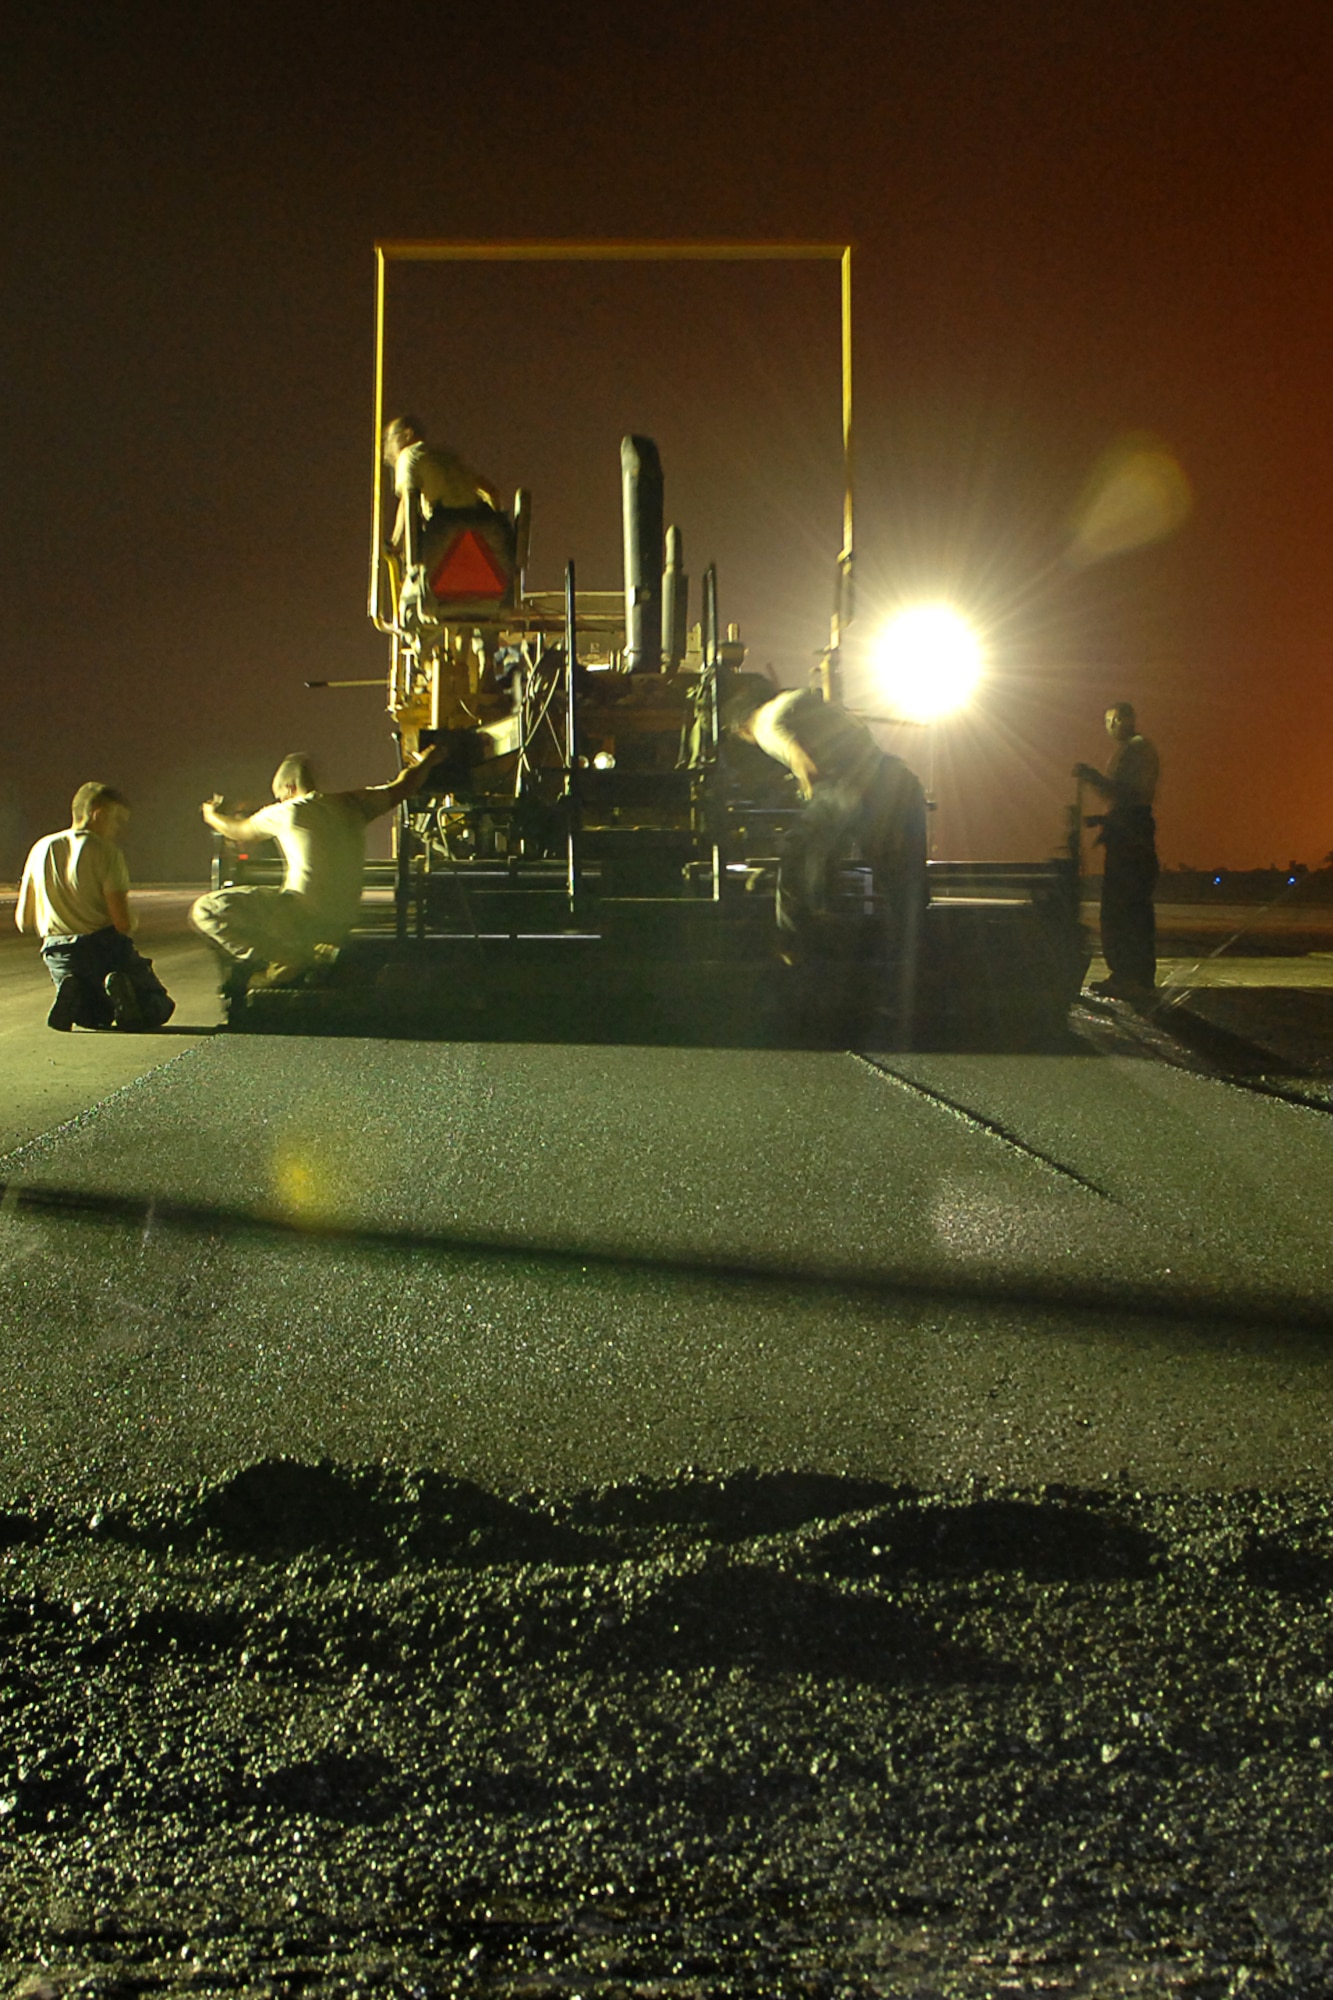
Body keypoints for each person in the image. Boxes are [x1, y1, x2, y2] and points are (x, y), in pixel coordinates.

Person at [191, 746, 444, 990]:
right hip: (341, 920)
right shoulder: (353, 804)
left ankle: (287, 958)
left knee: (205, 910)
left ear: (289, 788)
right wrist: (428, 761)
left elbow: (238, 831)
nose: (279, 801)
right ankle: (309, 954)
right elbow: (403, 786)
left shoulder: (288, 811)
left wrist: (211, 815)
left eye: (280, 796)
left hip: (300, 915)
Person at [720, 676, 928, 959]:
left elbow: (800, 758)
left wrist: (805, 790)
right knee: (902, 882)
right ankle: (918, 953)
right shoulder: (799, 700)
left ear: (742, 729)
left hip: (852, 788)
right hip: (899, 781)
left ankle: (797, 950)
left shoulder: (764, 723)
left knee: (799, 858)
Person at [16, 782, 175, 1032]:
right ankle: (124, 991)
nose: (118, 830)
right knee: (160, 1006)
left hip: (59, 951)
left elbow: (23, 919)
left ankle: (75, 990)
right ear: (98, 813)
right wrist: (133, 920)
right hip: (104, 947)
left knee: (93, 1017)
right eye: (117, 821)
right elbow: (122, 923)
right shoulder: (107, 852)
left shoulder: (41, 848)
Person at [1074, 701, 1161, 1002]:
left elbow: (1127, 795)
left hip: (1131, 838)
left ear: (1120, 720)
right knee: (1127, 909)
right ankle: (1130, 976)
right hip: (1129, 831)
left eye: (1110, 721)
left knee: (1123, 909)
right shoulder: (1135, 749)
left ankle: (1130, 977)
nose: (1109, 727)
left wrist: (1092, 777)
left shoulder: (1136, 749)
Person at [381, 416, 503, 557]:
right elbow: (491, 491)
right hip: (482, 528)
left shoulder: (407, 456)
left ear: (408, 434)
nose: (389, 449)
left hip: (446, 530)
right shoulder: (448, 455)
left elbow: (408, 501)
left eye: (392, 439)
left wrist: (396, 544)